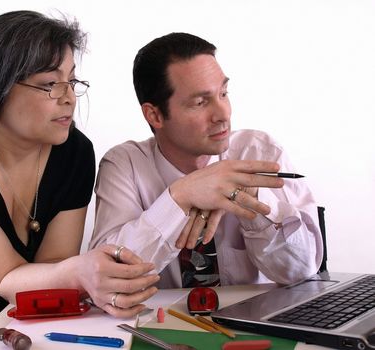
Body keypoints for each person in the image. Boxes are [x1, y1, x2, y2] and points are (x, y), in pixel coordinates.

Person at [0, 11, 159, 349]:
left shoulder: (73, 152)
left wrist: (86, 274)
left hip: (15, 278)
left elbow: (53, 266)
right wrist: (81, 272)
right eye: (49, 84)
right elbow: (4, 275)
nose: (68, 97)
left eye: (72, 80)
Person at [89, 32, 323, 289]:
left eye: (224, 93)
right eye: (201, 102)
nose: (223, 114)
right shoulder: (125, 166)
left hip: (252, 323)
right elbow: (109, 278)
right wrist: (179, 198)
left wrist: (253, 200)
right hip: (161, 325)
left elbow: (302, 271)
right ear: (154, 115)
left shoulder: (260, 153)